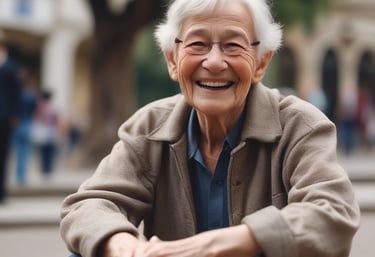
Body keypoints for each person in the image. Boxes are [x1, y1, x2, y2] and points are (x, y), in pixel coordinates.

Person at [60, 0, 360, 256]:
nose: (214, 61)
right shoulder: (149, 127)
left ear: (261, 63)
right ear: (172, 60)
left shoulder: (300, 126)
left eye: (233, 45)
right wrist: (122, 245)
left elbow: (333, 213)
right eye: (197, 44)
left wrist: (217, 245)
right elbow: (87, 206)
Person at [0, 30, 22, 202]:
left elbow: (16, 93)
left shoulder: (10, 65)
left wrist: (15, 114)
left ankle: (2, 192)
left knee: (3, 154)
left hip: (5, 117)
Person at [12, 68, 38, 185]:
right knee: (24, 151)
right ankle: (21, 176)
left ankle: (13, 175)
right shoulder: (31, 95)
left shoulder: (15, 95)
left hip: (15, 124)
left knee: (12, 151)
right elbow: (34, 110)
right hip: (27, 123)